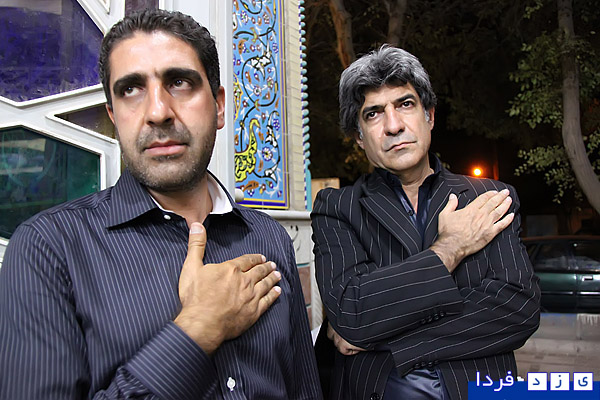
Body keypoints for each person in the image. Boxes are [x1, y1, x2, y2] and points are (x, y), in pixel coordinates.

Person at [0, 9, 321, 400]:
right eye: (131, 90)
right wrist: (197, 329)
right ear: (113, 117)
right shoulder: (49, 249)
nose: (157, 112)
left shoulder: (269, 238)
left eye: (179, 82)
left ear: (219, 105)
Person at [311, 45, 540, 400]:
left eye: (405, 104)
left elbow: (517, 309)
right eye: (373, 114)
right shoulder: (338, 207)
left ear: (429, 116)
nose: (393, 126)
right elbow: (353, 311)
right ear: (359, 137)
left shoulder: (489, 199)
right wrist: (450, 248)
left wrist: (386, 339)